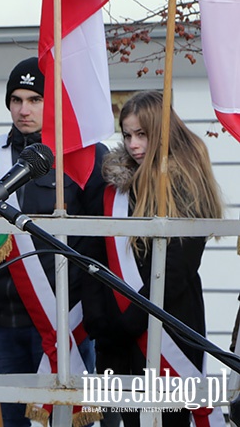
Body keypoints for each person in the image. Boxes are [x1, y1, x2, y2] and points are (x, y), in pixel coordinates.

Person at [83, 90, 223, 427]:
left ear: (161, 131)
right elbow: (95, 256)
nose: (133, 145)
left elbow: (179, 266)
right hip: (118, 332)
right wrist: (104, 323)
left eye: (142, 134)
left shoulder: (186, 179)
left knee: (173, 418)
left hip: (169, 321)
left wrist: (131, 317)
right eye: (127, 135)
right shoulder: (114, 186)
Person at [0, 57, 107, 427]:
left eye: (35, 100)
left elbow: (105, 240)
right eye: (16, 100)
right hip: (0, 320)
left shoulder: (81, 157)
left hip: (65, 321)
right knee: (4, 421)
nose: (24, 110)